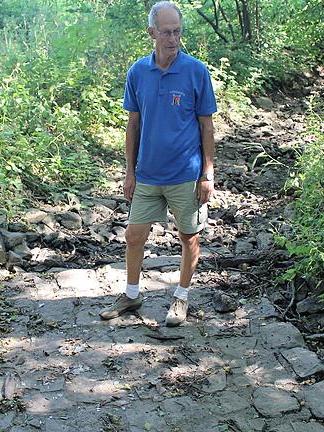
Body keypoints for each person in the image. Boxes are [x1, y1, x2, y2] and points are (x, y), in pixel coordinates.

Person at [99, 1, 217, 327]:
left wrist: (207, 174)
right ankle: (133, 295)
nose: (172, 38)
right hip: (148, 173)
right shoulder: (138, 72)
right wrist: (129, 172)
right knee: (134, 236)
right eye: (166, 32)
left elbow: (207, 126)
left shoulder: (196, 71)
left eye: (177, 31)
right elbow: (133, 126)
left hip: (185, 173)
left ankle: (181, 298)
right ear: (152, 32)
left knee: (188, 237)